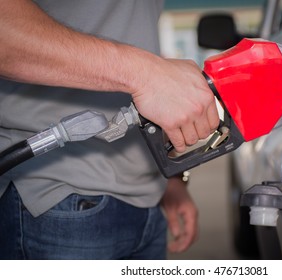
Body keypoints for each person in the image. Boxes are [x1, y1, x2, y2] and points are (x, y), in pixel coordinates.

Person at [0, 0, 219, 259]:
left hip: (147, 197)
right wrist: (145, 73)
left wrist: (169, 177)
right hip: (56, 197)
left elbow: (131, 30)